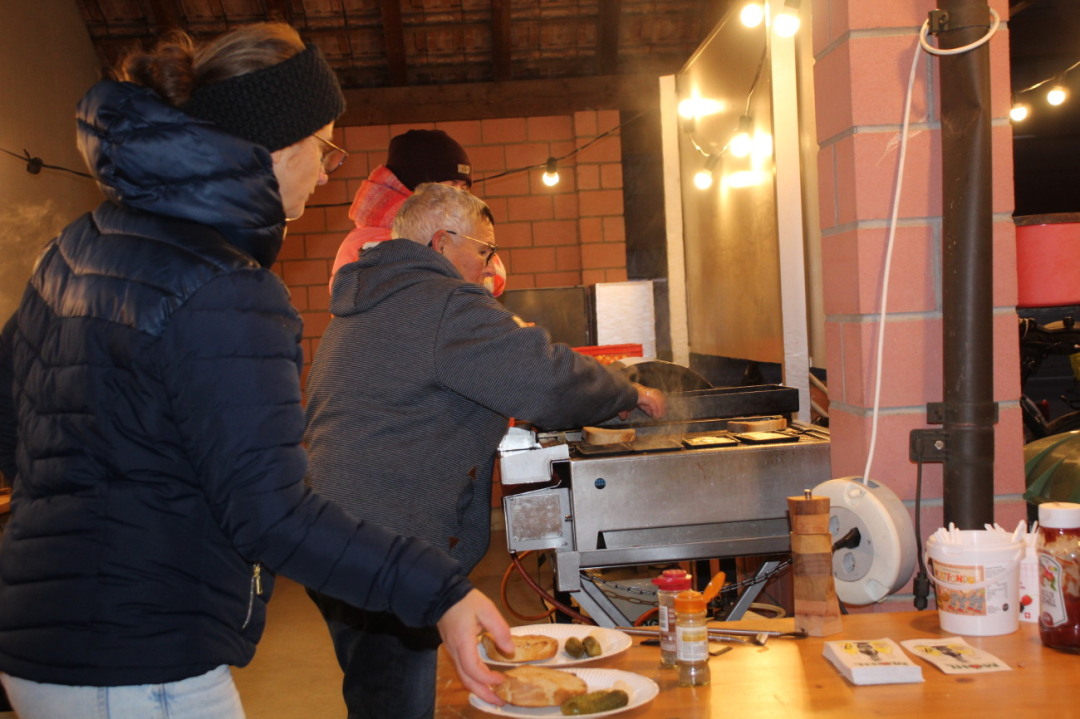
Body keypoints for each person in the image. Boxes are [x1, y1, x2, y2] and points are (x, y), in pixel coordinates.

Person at [0, 23, 512, 719]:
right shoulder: (227, 286)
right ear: (276, 143)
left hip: (38, 641)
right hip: (139, 654)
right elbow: (272, 513)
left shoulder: (78, 243)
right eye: (326, 146)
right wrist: (441, 590)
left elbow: (13, 432)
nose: (331, 169)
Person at [304, 182, 667, 719]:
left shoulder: (364, 302)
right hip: (388, 540)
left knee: (375, 688)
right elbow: (541, 379)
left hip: (332, 533)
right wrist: (626, 391)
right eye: (485, 250)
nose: (491, 266)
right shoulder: (442, 299)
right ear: (443, 242)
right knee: (397, 700)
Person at [328, 128, 507, 296]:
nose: (459, 195)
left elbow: (494, 277)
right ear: (418, 188)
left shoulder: (449, 232)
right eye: (451, 186)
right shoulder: (371, 244)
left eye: (464, 187)